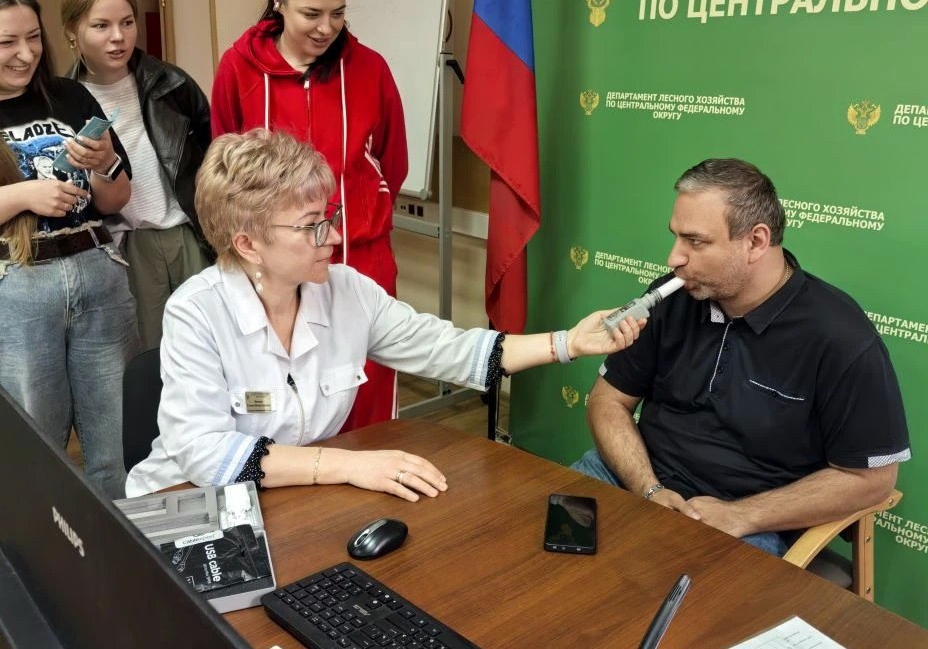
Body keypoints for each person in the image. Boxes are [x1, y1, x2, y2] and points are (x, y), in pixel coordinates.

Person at [125, 129, 645, 499]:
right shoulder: (196, 311)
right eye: (311, 225)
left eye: (330, 216)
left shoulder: (346, 291)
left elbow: (449, 350)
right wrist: (350, 465)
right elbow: (208, 455)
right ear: (248, 244)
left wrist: (568, 343)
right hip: (184, 500)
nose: (334, 235)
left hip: (285, 498)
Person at [572, 158, 911, 557]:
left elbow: (873, 480)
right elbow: (607, 400)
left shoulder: (840, 336)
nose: (674, 258)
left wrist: (741, 516)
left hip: (747, 524)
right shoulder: (672, 296)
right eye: (676, 237)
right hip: (634, 481)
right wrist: (650, 489)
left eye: (695, 241)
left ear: (756, 242)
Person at [210, 0, 406, 433]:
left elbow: (392, 161)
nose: (326, 28)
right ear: (278, 2)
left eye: (338, 13)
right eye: (312, 14)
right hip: (273, 268)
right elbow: (224, 168)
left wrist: (362, 214)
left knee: (367, 396)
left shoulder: (370, 69)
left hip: (359, 257)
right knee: (283, 402)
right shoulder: (239, 68)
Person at [0, 0, 137, 499]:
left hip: (97, 268)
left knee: (118, 439)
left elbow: (115, 199)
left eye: (33, 37)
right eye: (7, 42)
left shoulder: (70, 95)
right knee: (37, 445)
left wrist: (104, 163)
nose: (25, 54)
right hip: (19, 283)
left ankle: (125, 541)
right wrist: (23, 196)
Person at [60, 0, 213, 350]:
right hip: (124, 243)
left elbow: (211, 153)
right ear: (72, 31)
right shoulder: (63, 103)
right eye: (101, 26)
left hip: (187, 231)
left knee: (209, 345)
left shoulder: (172, 83)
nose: (119, 37)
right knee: (148, 355)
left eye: (127, 22)